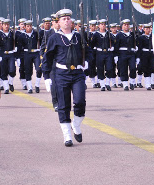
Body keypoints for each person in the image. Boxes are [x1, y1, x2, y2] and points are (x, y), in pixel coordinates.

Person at [42, 9, 93, 147]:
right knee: (63, 106)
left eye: (68, 18)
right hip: (61, 75)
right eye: (63, 19)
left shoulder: (79, 36)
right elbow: (47, 58)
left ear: (72, 21)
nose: (66, 21)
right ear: (58, 22)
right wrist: (46, 76)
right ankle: (67, 136)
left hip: (77, 74)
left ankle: (76, 125)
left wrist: (87, 62)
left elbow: (88, 52)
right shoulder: (54, 38)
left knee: (80, 101)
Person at [40, 15, 60, 111]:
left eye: (58, 22)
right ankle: (55, 102)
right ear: (53, 23)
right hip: (52, 63)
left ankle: (63, 102)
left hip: (62, 62)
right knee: (54, 83)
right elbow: (43, 48)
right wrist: (43, 60)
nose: (57, 24)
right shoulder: (48, 34)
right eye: (55, 22)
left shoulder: (64, 33)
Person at [90, 19, 114, 91]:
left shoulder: (109, 34)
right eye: (102, 24)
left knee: (109, 68)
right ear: (99, 26)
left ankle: (107, 83)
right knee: (100, 69)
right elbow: (92, 44)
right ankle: (102, 84)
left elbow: (113, 42)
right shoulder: (96, 34)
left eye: (104, 24)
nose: (103, 26)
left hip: (108, 53)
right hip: (99, 53)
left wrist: (112, 47)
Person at [19, 20, 42, 93]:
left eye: (30, 26)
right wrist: (20, 57)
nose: (29, 28)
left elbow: (41, 42)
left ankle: (37, 85)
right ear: (25, 27)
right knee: (28, 71)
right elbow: (20, 47)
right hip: (27, 54)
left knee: (39, 69)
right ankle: (30, 87)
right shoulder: (22, 35)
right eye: (27, 26)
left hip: (35, 53)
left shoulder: (36, 34)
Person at [114, 19, 137, 91]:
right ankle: (125, 84)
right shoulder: (119, 35)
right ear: (122, 26)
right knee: (123, 68)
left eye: (127, 25)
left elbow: (136, 43)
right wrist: (116, 55)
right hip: (122, 53)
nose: (126, 26)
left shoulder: (132, 34)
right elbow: (116, 46)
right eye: (125, 25)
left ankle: (132, 82)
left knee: (133, 68)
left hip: (131, 53)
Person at [0, 18, 17, 94]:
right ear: (2, 25)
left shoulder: (12, 33)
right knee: (3, 71)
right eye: (5, 24)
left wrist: (16, 48)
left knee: (12, 70)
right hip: (2, 54)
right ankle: (6, 88)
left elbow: (17, 42)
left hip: (11, 54)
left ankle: (10, 83)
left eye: (8, 24)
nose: (6, 26)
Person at [136, 23, 154, 90]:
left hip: (152, 53)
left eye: (149, 29)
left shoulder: (153, 37)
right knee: (146, 69)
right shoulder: (141, 37)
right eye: (146, 29)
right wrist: (138, 57)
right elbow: (139, 47)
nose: (148, 30)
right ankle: (147, 84)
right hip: (144, 54)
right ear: (144, 29)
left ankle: (152, 82)